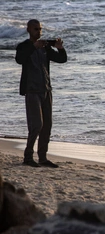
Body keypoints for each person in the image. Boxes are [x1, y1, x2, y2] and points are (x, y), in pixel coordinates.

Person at [15, 19, 67, 168]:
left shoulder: (45, 48)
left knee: (47, 126)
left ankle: (43, 157)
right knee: (36, 125)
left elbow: (61, 59)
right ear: (29, 30)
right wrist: (33, 47)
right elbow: (20, 59)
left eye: (40, 29)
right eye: (36, 29)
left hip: (46, 90)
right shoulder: (24, 46)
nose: (39, 32)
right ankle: (28, 156)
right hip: (32, 91)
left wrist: (60, 48)